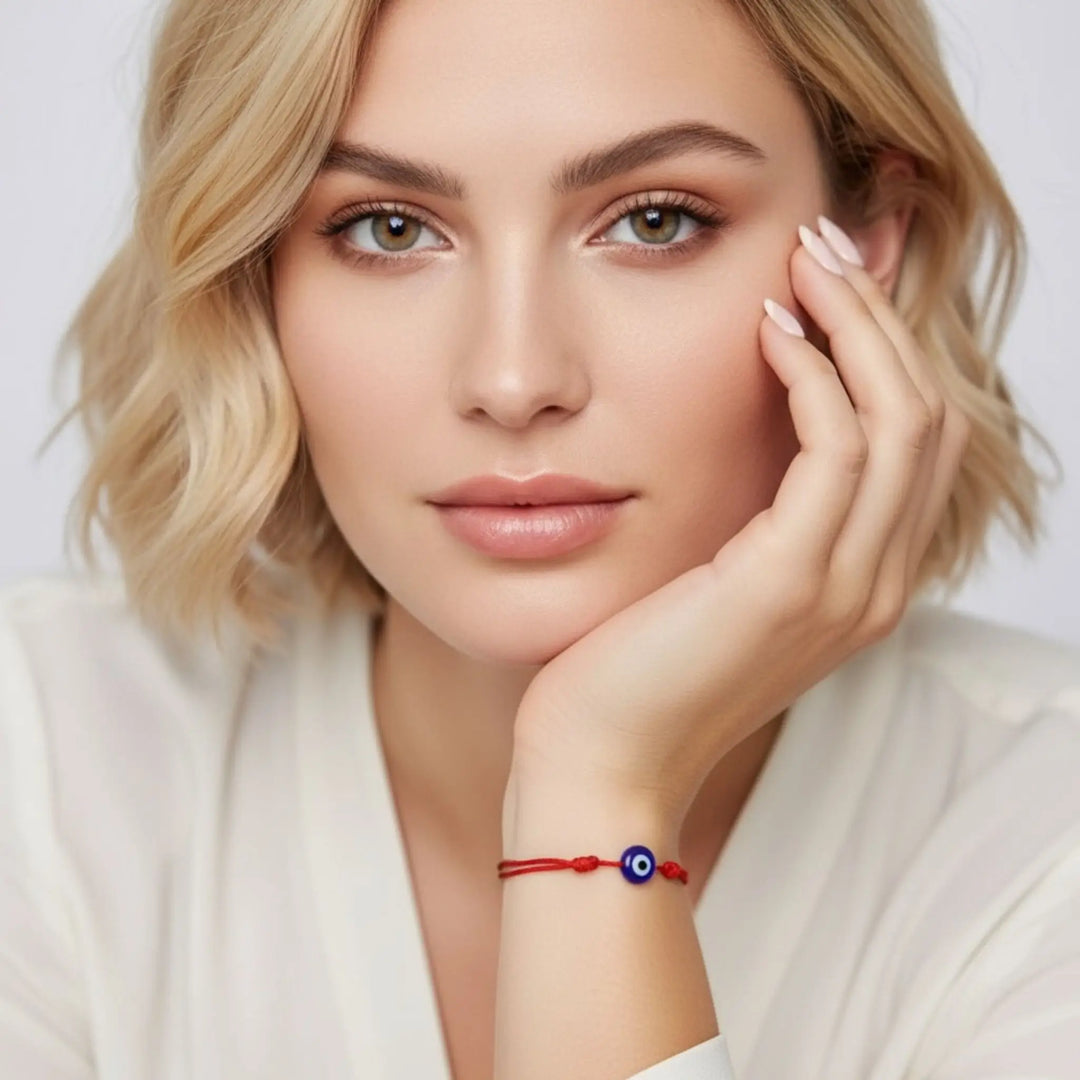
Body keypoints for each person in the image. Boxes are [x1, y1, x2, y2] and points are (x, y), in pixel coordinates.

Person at [3, 0, 1078, 1076]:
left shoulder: (1044, 829)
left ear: (866, 242)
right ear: (250, 274)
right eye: (388, 227)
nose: (513, 381)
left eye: (655, 220)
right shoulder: (44, 759)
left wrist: (597, 788)